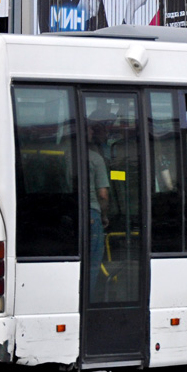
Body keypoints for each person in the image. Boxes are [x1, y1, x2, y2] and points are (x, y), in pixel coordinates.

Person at [87, 118, 111, 299]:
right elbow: (103, 195)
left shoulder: (63, 154)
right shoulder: (95, 159)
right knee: (93, 265)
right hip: (92, 216)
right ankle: (89, 301)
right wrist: (104, 216)